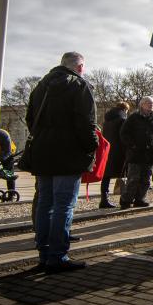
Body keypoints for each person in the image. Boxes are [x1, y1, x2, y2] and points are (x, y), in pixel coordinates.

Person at [27, 52, 97, 273]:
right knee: (63, 205)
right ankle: (58, 255)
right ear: (80, 67)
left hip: (42, 151)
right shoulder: (79, 86)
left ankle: (44, 252)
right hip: (69, 153)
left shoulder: (41, 86)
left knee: (45, 203)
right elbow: (86, 122)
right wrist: (91, 146)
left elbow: (31, 118)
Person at [120, 96, 153, 209]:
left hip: (150, 154)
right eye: (148, 103)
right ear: (142, 104)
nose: (151, 105)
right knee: (133, 179)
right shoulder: (133, 118)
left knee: (146, 179)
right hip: (135, 154)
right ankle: (126, 200)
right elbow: (124, 133)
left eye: (152, 104)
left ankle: (140, 199)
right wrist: (132, 145)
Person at [99, 102, 130, 209]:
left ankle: (104, 199)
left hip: (107, 151)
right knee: (123, 175)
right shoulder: (123, 120)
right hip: (119, 152)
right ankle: (124, 200)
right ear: (125, 109)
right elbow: (124, 137)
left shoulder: (107, 120)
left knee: (106, 176)